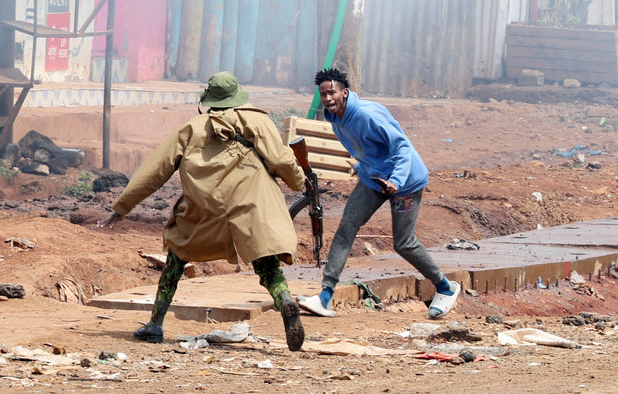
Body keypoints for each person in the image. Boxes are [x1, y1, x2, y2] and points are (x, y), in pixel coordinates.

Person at [98, 71, 306, 351]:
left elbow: (154, 170)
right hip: (252, 203)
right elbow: (282, 159)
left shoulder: (191, 129)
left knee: (176, 257)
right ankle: (285, 301)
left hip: (205, 209)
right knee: (267, 265)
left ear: (209, 99)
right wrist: (298, 182)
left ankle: (155, 324)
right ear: (238, 96)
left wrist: (122, 207)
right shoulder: (259, 121)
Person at [298, 68, 460, 319]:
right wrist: (363, 165)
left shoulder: (365, 115)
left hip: (405, 182)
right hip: (374, 179)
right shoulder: (335, 117)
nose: (328, 98)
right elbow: (372, 148)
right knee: (346, 228)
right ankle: (325, 297)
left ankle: (445, 288)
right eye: (323, 94)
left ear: (345, 92)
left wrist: (396, 180)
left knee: (403, 243)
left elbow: (402, 148)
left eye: (332, 92)